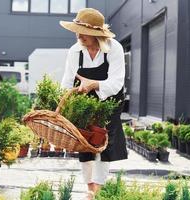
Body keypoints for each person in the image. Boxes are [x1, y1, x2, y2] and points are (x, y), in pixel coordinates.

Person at [60, 8, 128, 199]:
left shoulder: (114, 48)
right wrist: (64, 103)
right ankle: (89, 187)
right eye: (77, 31)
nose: (79, 36)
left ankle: (98, 188)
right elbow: (67, 82)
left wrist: (94, 84)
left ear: (96, 34)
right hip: (85, 102)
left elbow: (116, 83)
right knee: (85, 143)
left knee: (103, 143)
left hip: (110, 102)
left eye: (84, 33)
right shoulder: (75, 51)